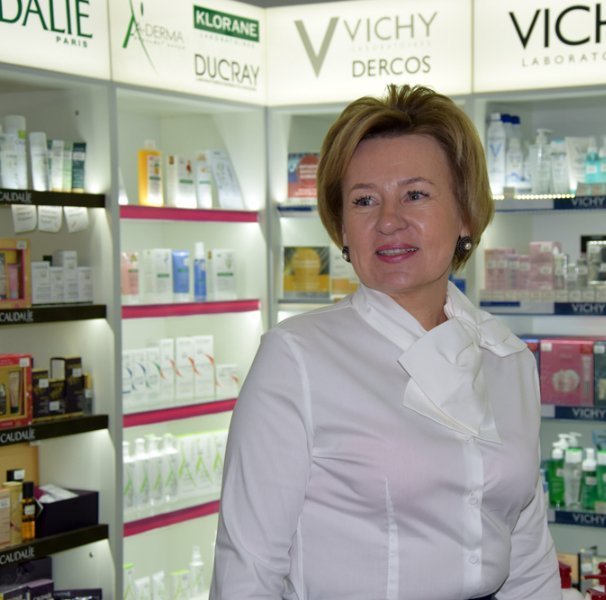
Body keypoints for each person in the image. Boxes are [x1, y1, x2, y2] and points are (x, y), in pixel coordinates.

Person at [210, 84, 561, 599]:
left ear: (465, 214)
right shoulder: (298, 357)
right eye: (364, 200)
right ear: (342, 229)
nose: (389, 221)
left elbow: (528, 557)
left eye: (415, 195)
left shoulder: (506, 358)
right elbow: (248, 570)